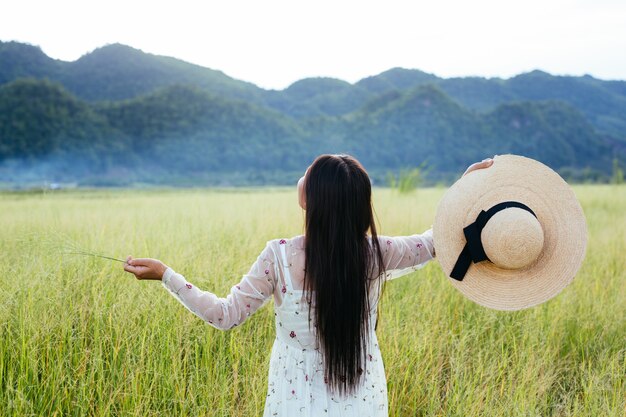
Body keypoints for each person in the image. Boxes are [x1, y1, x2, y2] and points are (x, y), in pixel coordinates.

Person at [123, 154, 494, 416]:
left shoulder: (279, 257)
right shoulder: (377, 253)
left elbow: (225, 315)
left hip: (292, 391)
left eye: (306, 175)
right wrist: (461, 188)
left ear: (309, 201)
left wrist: (166, 276)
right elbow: (434, 241)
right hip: (358, 386)